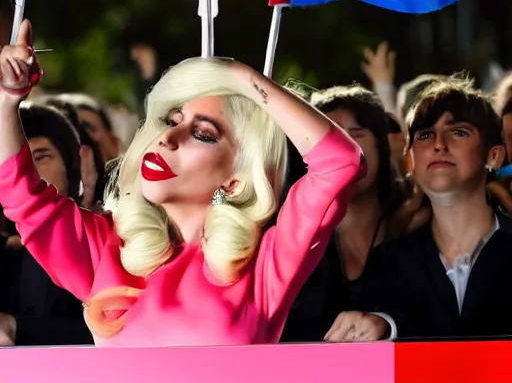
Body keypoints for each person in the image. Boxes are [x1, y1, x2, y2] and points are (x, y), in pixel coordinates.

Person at [0, 20, 363, 347]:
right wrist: (7, 102)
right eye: (172, 120)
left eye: (203, 133)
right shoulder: (109, 248)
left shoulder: (265, 263)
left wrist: (240, 78)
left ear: (235, 182)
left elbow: (340, 163)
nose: (168, 138)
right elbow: (21, 195)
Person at [330, 76, 512, 341]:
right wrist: (383, 325)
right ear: (410, 160)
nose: (439, 144)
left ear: (493, 156)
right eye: (425, 135)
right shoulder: (388, 263)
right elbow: (392, 314)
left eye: (458, 132)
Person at [280, 85, 403, 342]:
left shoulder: (413, 225)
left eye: (356, 134)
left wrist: (386, 326)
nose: (344, 148)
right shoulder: (288, 239)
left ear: (381, 148)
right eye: (330, 137)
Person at [0, 103, 94, 346]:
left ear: (72, 167)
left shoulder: (103, 243)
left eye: (42, 157)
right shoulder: (7, 255)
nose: (26, 170)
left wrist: (16, 327)